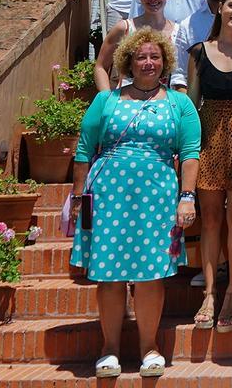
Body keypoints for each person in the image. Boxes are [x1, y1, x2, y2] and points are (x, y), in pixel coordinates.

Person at [69, 28, 199, 379]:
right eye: (141, 56)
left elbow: (189, 154)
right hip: (107, 195)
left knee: (151, 275)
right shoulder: (106, 101)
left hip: (157, 197)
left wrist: (187, 197)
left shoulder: (180, 103)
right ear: (128, 61)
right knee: (108, 275)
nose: (148, 62)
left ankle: (148, 347)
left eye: (155, 57)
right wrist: (79, 196)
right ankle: (108, 348)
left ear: (165, 62)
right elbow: (84, 149)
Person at [187, 0, 232, 334]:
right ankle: (210, 293)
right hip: (209, 138)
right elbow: (191, 103)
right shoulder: (199, 52)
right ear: (220, 9)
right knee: (211, 218)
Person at [95, 0, 177, 91]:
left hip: (164, 103)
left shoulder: (178, 31)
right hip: (127, 102)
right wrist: (106, 99)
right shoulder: (124, 28)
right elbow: (100, 67)